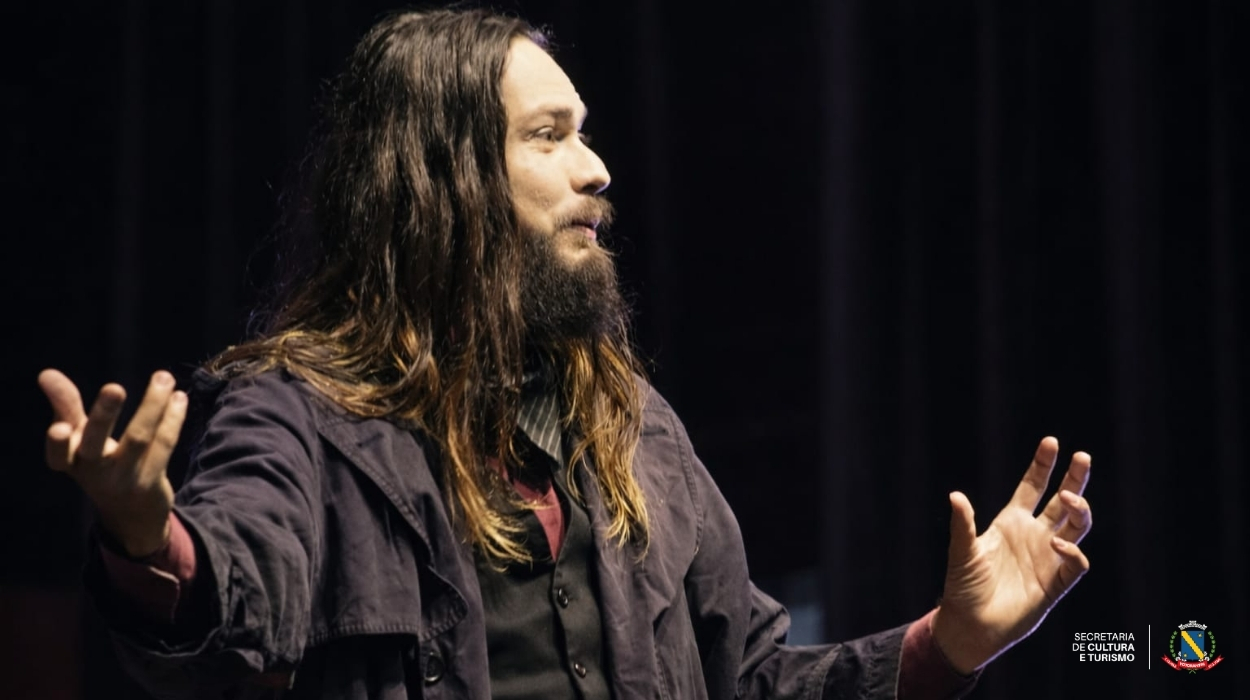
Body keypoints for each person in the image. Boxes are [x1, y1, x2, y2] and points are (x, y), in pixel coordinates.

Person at [38, 8, 1093, 699]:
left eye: (583, 132)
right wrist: (148, 536)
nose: (594, 168)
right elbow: (231, 586)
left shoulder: (631, 428)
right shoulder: (303, 413)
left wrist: (945, 643)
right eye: (548, 135)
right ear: (444, 179)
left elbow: (752, 678)